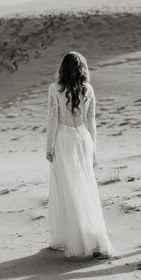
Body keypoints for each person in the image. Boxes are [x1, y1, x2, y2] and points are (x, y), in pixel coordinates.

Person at [46, 52, 113, 261]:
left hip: (65, 140)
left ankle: (75, 238)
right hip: (84, 140)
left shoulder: (55, 89)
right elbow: (92, 122)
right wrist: (94, 149)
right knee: (85, 186)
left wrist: (49, 146)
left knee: (69, 189)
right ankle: (93, 237)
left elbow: (52, 120)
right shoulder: (89, 90)